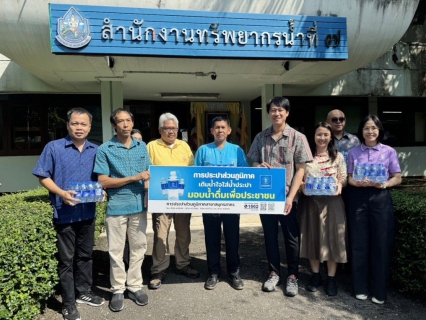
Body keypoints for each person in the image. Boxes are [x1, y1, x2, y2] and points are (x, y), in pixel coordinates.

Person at [33, 107, 104, 320]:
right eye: (75, 123)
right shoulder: (54, 148)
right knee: (66, 260)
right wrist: (61, 193)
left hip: (88, 212)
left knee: (85, 256)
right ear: (67, 125)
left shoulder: (96, 149)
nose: (79, 128)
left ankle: (84, 292)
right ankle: (69, 304)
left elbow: (101, 178)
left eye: (83, 124)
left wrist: (102, 192)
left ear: (90, 127)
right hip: (64, 213)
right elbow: (42, 176)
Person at [247, 96, 313, 297]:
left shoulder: (298, 137)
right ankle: (274, 272)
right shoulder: (260, 137)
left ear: (287, 113)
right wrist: (259, 166)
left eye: (280, 110)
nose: (277, 113)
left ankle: (292, 276)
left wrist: (290, 198)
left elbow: (300, 170)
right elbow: (252, 163)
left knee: (291, 238)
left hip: (288, 198)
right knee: (269, 237)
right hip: (266, 198)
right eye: (273, 110)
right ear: (269, 113)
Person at [94, 108, 151, 312]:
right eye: (121, 121)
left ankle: (134, 286)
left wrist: (148, 193)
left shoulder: (142, 147)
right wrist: (133, 178)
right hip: (117, 206)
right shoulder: (106, 149)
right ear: (114, 125)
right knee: (116, 251)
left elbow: (148, 175)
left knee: (138, 248)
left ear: (132, 122)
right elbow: (103, 181)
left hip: (139, 206)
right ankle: (117, 289)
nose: (125, 124)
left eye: (128, 120)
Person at [346, 115, 401, 304]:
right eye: (367, 128)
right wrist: (356, 183)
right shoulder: (353, 152)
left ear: (379, 131)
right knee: (359, 243)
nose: (370, 131)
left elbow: (397, 177)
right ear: (361, 131)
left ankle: (379, 290)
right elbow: (349, 177)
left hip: (380, 198)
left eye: (374, 128)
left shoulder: (389, 151)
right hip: (358, 198)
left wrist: (385, 184)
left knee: (381, 243)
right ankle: (360, 287)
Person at [147, 113, 200, 290]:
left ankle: (183, 264)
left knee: (183, 233)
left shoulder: (184, 146)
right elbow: (146, 172)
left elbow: (192, 171)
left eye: (174, 128)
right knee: (161, 234)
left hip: (182, 199)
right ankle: (158, 269)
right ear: (160, 129)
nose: (171, 131)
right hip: (162, 199)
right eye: (167, 128)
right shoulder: (151, 146)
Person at [194, 116, 248, 290]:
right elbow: (195, 176)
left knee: (232, 239)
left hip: (232, 203)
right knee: (212, 238)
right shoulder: (203, 150)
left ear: (229, 130)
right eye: (216, 127)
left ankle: (234, 272)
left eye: (223, 127)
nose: (220, 130)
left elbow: (245, 175)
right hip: (209, 203)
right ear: (211, 131)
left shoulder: (237, 150)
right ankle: (214, 273)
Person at [297, 122, 347, 296]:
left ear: (330, 137)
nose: (322, 138)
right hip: (311, 203)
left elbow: (343, 177)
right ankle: (316, 275)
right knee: (313, 237)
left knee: (333, 238)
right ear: (314, 136)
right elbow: (300, 178)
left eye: (326, 134)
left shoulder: (338, 156)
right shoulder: (306, 157)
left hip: (333, 203)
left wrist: (340, 185)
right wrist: (301, 186)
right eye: (319, 134)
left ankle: (331, 278)